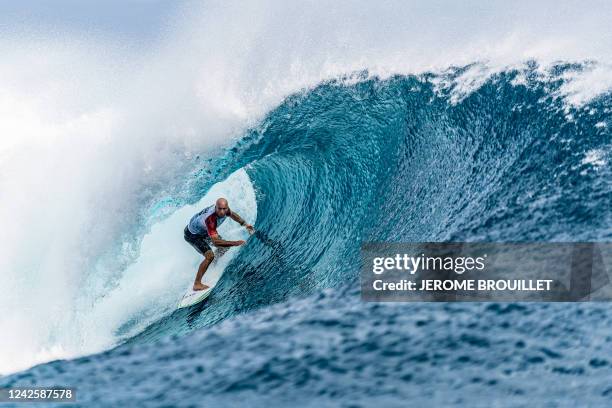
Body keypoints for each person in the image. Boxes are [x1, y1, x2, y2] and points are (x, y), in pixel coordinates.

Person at [184, 197, 254, 291]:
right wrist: (235, 243)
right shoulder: (210, 219)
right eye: (219, 209)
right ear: (216, 207)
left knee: (223, 248)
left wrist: (245, 224)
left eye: (224, 209)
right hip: (192, 235)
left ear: (227, 207)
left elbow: (232, 215)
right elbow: (216, 242)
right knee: (209, 256)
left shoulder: (225, 209)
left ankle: (212, 265)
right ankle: (197, 284)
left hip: (203, 231)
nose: (222, 212)